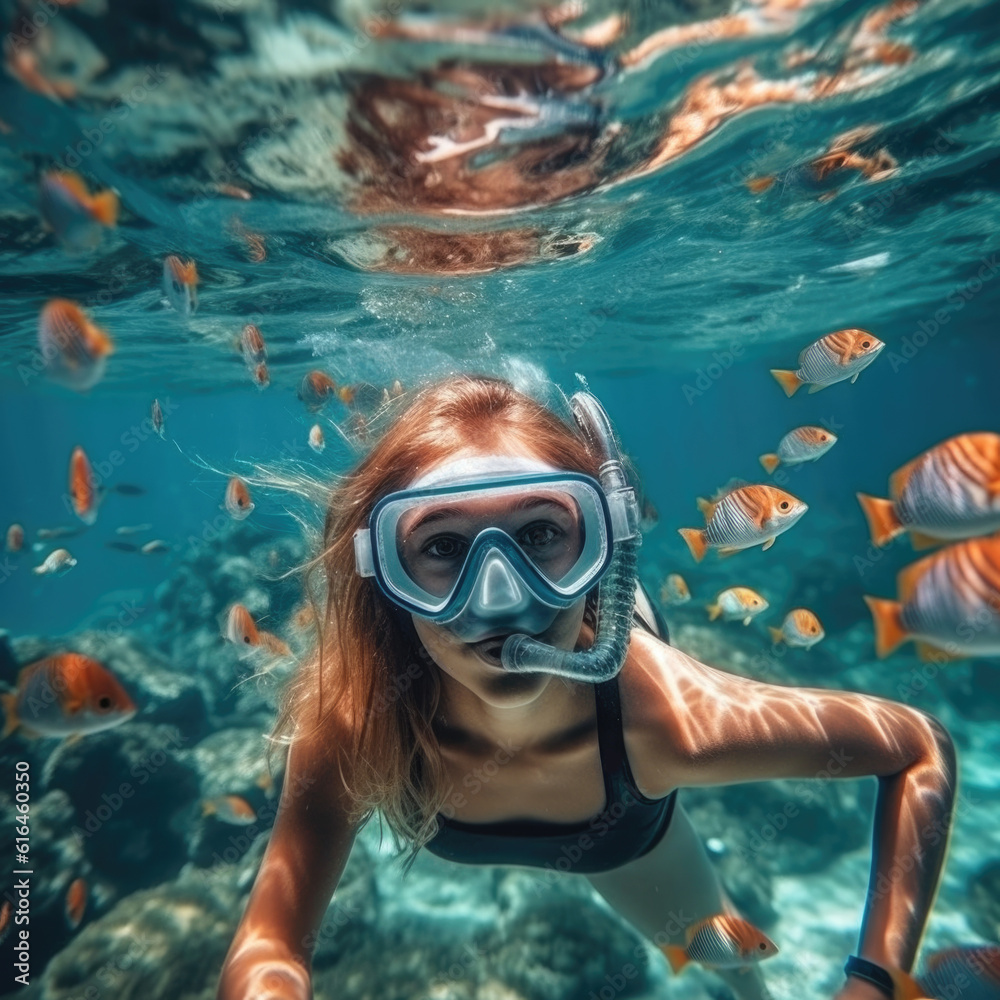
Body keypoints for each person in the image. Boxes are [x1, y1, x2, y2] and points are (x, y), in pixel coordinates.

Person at [216, 374, 955, 1000]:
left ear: (608, 545)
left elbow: (918, 747)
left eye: (541, 535)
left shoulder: (667, 721)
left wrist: (877, 980)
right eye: (442, 547)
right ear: (381, 573)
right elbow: (271, 941)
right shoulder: (351, 721)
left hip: (626, 841)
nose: (503, 601)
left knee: (734, 970)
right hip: (617, 815)